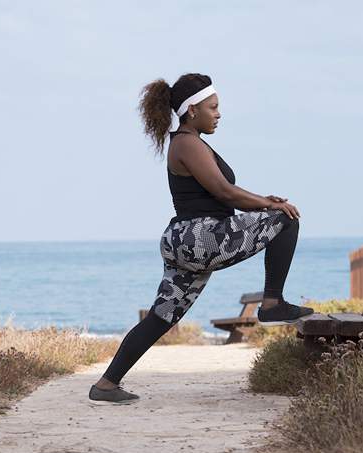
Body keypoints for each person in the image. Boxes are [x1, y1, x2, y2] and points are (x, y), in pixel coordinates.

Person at [88, 72, 314, 405]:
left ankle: (106, 385)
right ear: (192, 110)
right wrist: (270, 204)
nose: (219, 113)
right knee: (285, 218)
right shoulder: (187, 142)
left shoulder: (187, 142)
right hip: (200, 236)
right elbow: (225, 191)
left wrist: (262, 200)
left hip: (187, 241)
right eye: (213, 107)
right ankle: (272, 303)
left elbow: (225, 195)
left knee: (161, 317)